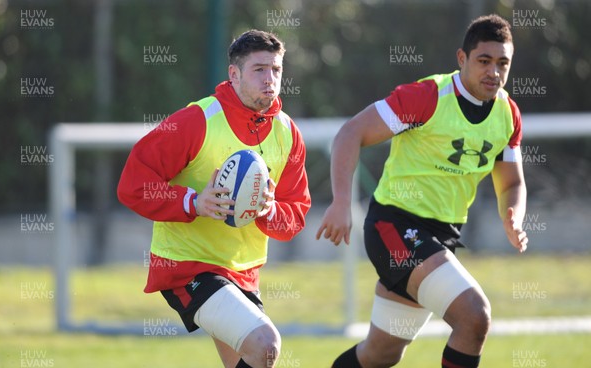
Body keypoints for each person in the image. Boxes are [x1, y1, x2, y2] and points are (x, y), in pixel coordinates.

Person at [317, 14, 528, 368]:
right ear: (462, 59)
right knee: (474, 316)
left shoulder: (508, 113)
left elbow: (512, 182)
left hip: (441, 237)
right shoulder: (427, 96)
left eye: (503, 63)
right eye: (484, 61)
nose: (494, 72)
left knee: (378, 354)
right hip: (394, 228)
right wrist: (341, 203)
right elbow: (350, 134)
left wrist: (514, 216)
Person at [118, 30, 310, 368]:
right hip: (187, 266)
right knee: (266, 345)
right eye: (259, 69)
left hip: (243, 272)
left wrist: (268, 210)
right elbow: (133, 184)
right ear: (233, 75)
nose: (271, 79)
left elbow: (295, 214)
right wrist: (193, 202)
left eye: (276, 70)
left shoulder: (287, 133)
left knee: (254, 359)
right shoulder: (197, 120)